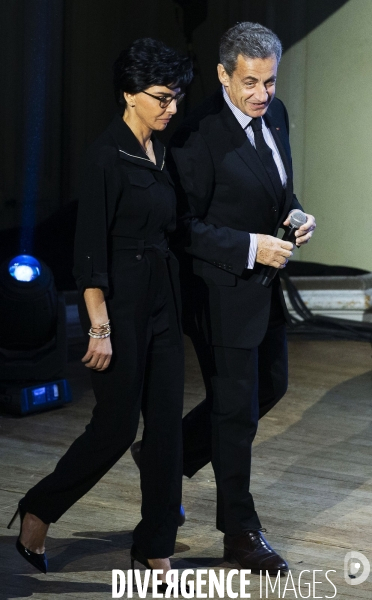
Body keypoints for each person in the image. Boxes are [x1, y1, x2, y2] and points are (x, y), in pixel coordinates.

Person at [7, 38, 193, 586]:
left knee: (165, 431)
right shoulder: (104, 156)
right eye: (162, 97)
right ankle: (39, 509)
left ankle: (154, 546)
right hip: (120, 305)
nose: (172, 108)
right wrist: (100, 326)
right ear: (129, 94)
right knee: (114, 429)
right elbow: (87, 253)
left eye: (177, 96)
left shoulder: (162, 151)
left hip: (163, 299)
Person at [167, 22, 316, 574]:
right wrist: (253, 247)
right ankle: (240, 534)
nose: (262, 94)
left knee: (270, 387)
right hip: (220, 292)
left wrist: (295, 216)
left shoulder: (271, 115)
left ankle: (170, 456)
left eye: (270, 81)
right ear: (224, 74)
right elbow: (183, 228)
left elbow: (278, 187)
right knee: (236, 416)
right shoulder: (198, 134)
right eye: (250, 82)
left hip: (263, 288)